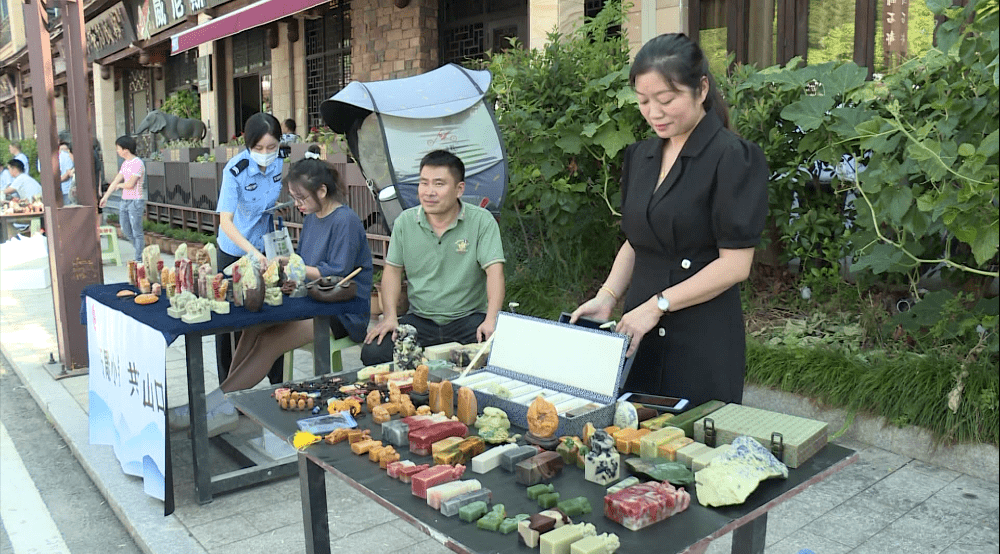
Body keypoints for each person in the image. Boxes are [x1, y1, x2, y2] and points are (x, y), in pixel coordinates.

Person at [570, 33, 768, 407]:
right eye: (643, 101)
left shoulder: (734, 158)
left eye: (666, 99)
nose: (654, 113)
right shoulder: (639, 156)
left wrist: (657, 306)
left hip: (699, 338)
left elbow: (735, 265)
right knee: (632, 440)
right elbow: (637, 240)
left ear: (701, 88)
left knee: (690, 452)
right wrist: (607, 297)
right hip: (638, 332)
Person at [169, 151, 373, 435]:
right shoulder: (314, 216)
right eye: (294, 198)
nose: (297, 205)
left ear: (322, 191)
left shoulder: (345, 221)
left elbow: (335, 272)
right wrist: (291, 275)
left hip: (342, 310)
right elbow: (306, 264)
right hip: (312, 300)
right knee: (253, 327)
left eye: (301, 198)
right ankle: (224, 402)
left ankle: (215, 404)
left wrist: (294, 266)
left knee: (269, 342)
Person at [362, 149, 505, 365]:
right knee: (374, 353)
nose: (429, 192)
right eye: (424, 183)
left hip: (468, 319)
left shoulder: (481, 221)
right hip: (420, 320)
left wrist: (491, 319)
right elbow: (392, 271)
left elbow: (495, 272)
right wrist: (390, 316)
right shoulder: (405, 222)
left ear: (459, 189)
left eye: (439, 184)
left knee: (501, 353)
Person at [214, 112, 287, 386]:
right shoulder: (236, 170)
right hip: (235, 249)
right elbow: (225, 221)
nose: (266, 154)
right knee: (231, 322)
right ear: (248, 146)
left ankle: (275, 383)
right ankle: (228, 387)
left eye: (272, 147)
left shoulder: (280, 163)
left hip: (265, 245)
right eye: (258, 149)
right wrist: (252, 254)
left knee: (272, 313)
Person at [99, 136, 146, 261]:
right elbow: (115, 180)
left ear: (126, 149)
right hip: (124, 201)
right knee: (125, 229)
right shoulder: (125, 164)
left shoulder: (138, 163)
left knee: (136, 231)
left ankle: (139, 258)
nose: (117, 151)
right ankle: (141, 251)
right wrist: (105, 197)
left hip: (135, 201)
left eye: (118, 148)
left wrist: (120, 186)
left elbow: (130, 184)